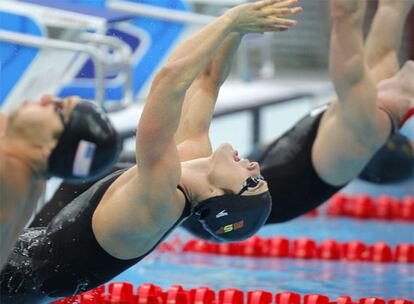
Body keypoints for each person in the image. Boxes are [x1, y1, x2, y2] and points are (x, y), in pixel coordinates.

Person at [0, 1, 301, 302]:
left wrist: (228, 20)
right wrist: (239, 27)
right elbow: (207, 80)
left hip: (12, 282)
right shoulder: (191, 156)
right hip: (23, 251)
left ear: (217, 195)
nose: (256, 169)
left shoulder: (159, 204)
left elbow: (169, 81)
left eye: (251, 183)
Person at [180, 0, 414, 240]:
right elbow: (392, 9)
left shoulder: (362, 128)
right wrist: (238, 24)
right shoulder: (377, 89)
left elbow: (347, 15)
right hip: (230, 201)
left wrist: (233, 23)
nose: (255, 168)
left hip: (219, 218)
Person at [0, 96, 120, 266]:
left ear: (50, 146)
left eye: (57, 109)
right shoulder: (32, 180)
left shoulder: (7, 170)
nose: (46, 98)